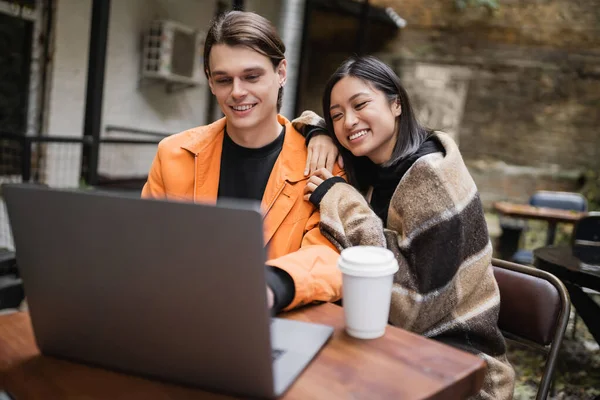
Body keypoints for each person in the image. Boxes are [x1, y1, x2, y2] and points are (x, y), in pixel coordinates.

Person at [297, 56, 515, 399]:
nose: (348, 121)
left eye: (361, 104)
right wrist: (319, 131)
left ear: (396, 103)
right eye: (337, 114)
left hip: (461, 368)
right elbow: (300, 120)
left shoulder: (431, 176)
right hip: (392, 347)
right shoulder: (373, 164)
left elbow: (414, 309)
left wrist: (342, 201)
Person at [142, 11, 343, 314]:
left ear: (281, 73)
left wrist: (271, 286)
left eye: (252, 76)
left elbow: (330, 255)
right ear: (210, 82)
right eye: (224, 79)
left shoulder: (322, 162)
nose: (237, 92)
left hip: (280, 320)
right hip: (182, 313)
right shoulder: (173, 154)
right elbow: (146, 243)